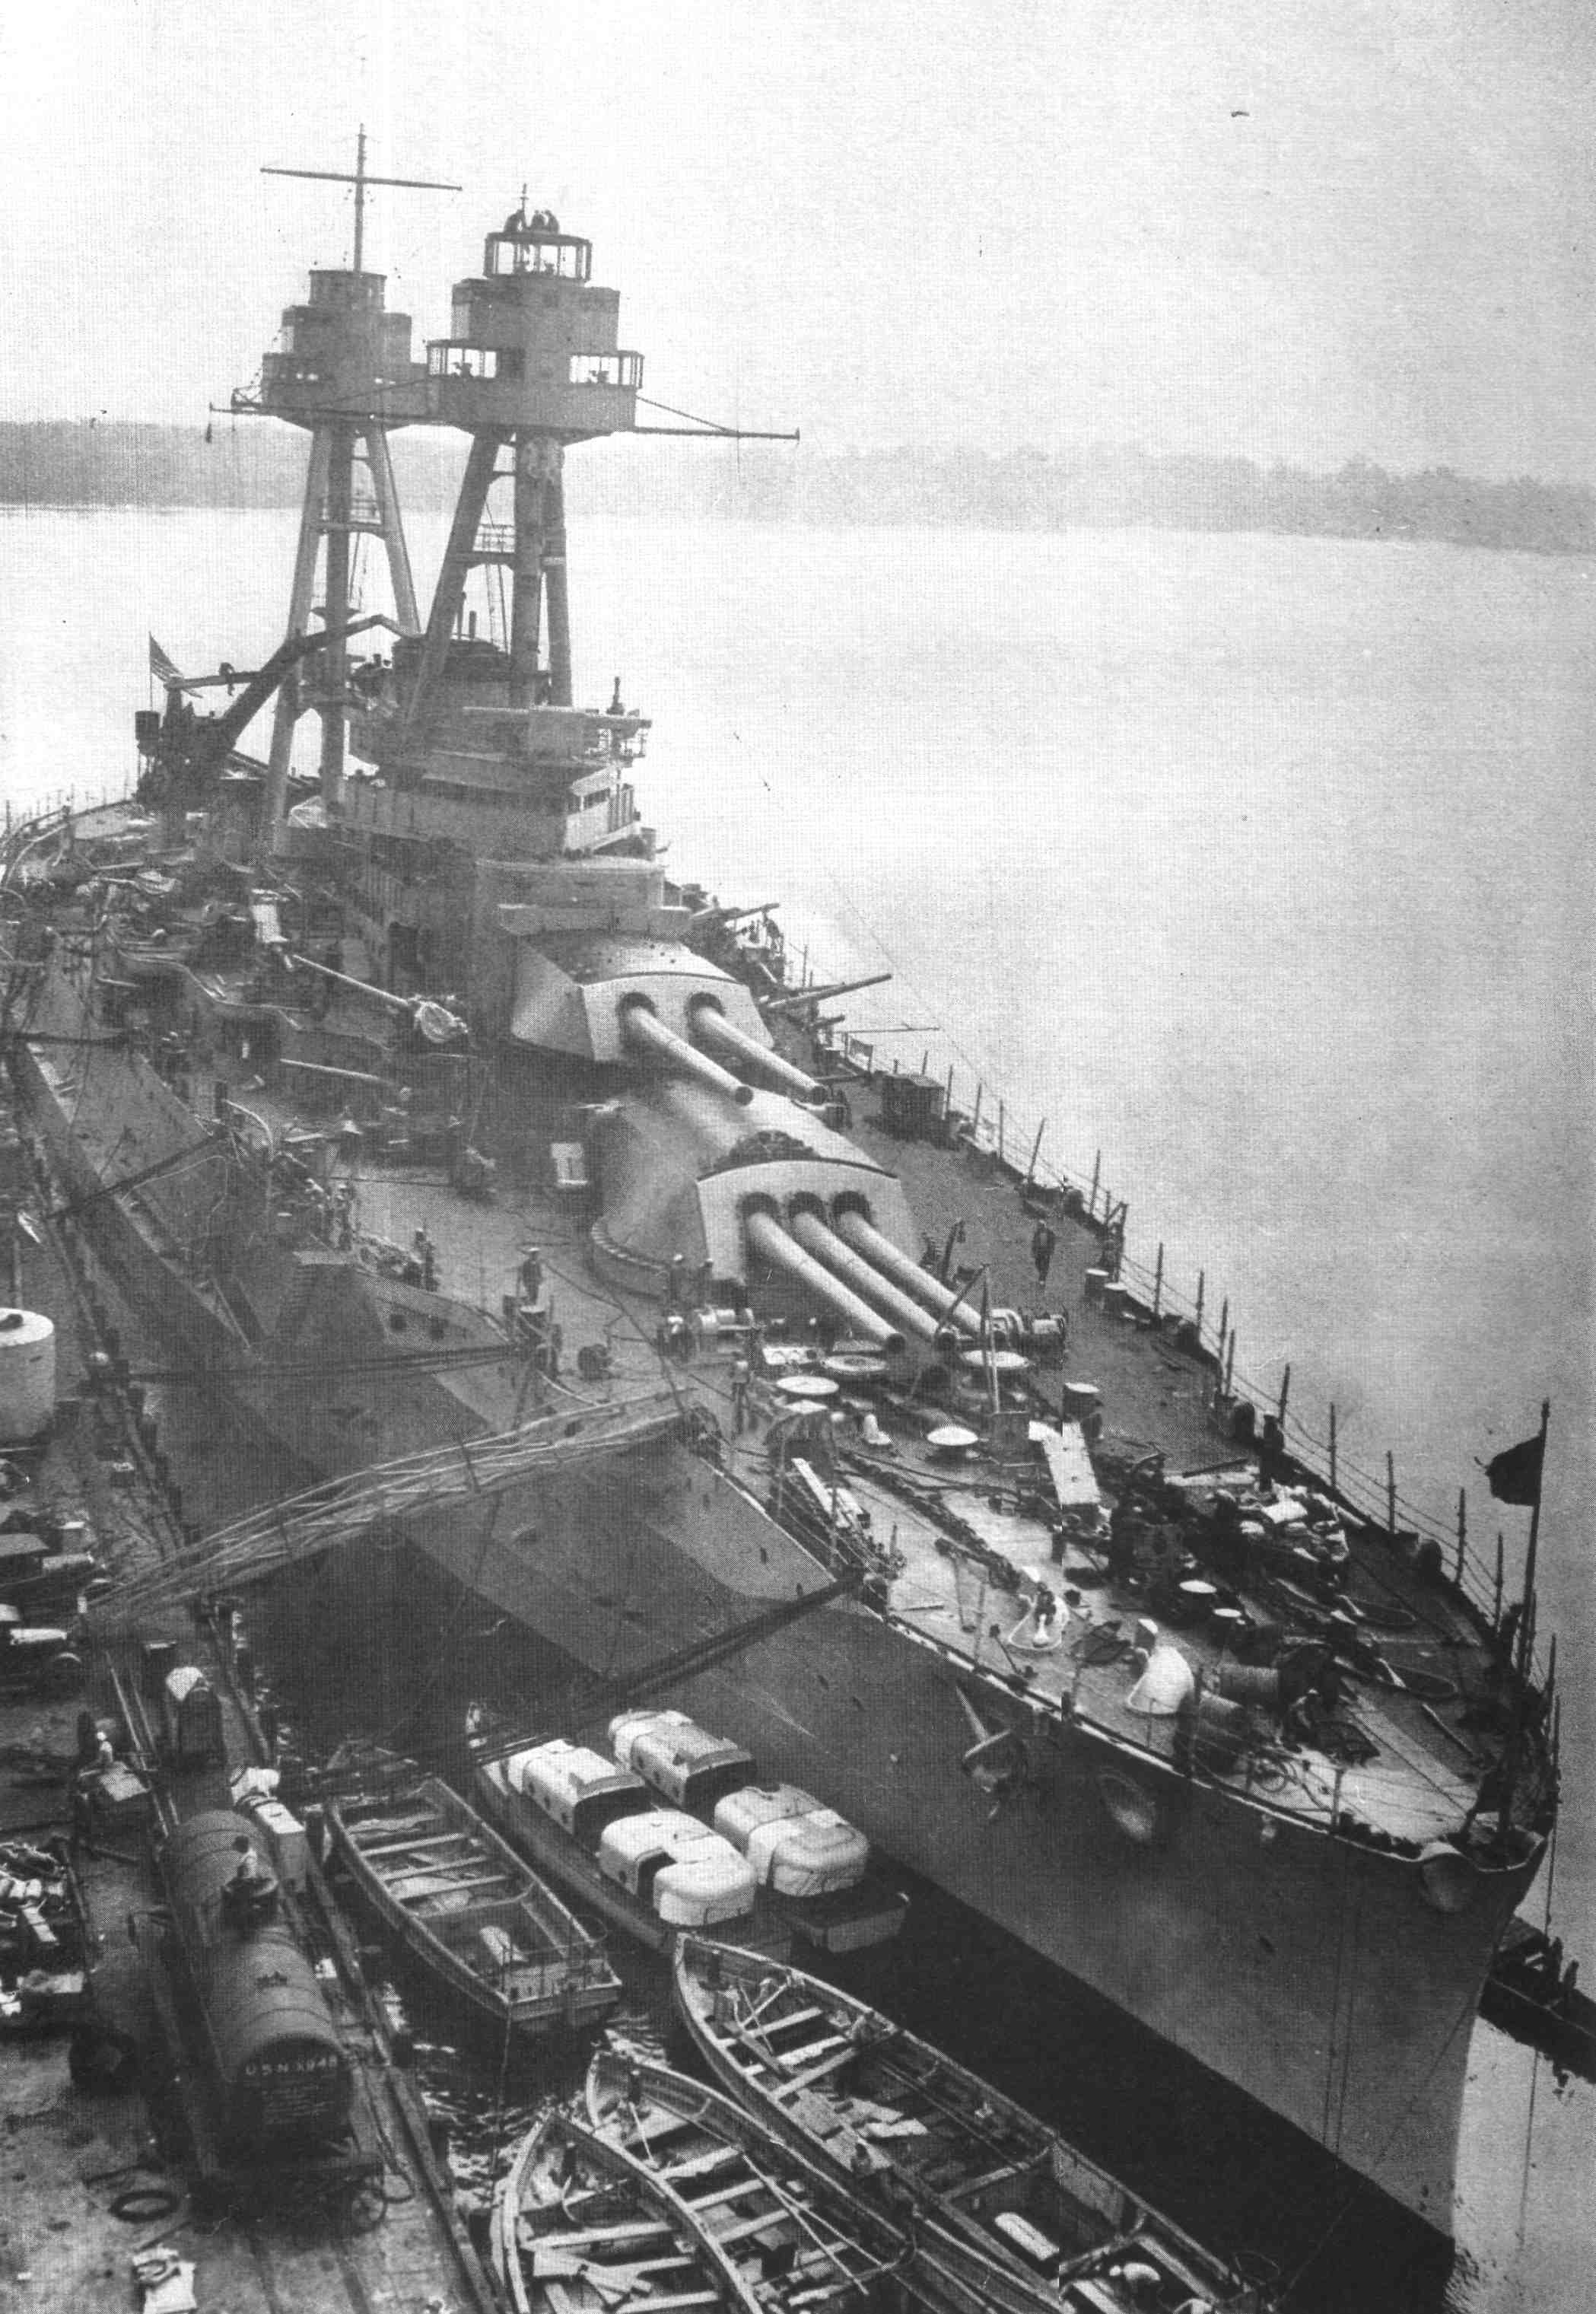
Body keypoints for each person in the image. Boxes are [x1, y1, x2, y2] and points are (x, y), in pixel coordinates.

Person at [1030, 1217, 1057, 1288]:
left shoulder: (1049, 1232)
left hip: (1046, 1253)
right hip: (1039, 1252)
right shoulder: (1037, 1233)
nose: (1040, 1227)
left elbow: (1053, 1242)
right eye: (1039, 1225)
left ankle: (1042, 1282)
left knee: (1044, 1268)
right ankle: (1042, 1277)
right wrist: (1033, 1251)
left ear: (1044, 1225)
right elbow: (1034, 1242)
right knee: (1037, 1265)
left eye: (1041, 1225)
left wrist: (1051, 1250)